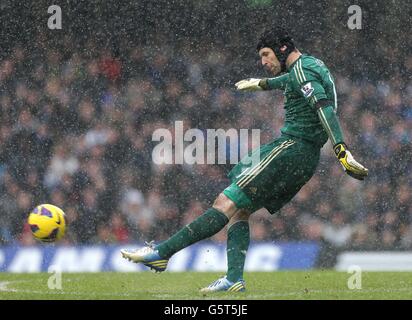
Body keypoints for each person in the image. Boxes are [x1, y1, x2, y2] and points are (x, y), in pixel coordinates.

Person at [121, 26, 368, 292]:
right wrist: (262, 84)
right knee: (241, 209)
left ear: (282, 49)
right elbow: (291, 83)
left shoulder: (301, 71)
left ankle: (162, 253)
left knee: (225, 201)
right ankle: (233, 278)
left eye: (265, 54)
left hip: (290, 149)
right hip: (303, 158)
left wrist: (341, 150)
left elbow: (323, 108)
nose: (263, 62)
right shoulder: (308, 65)